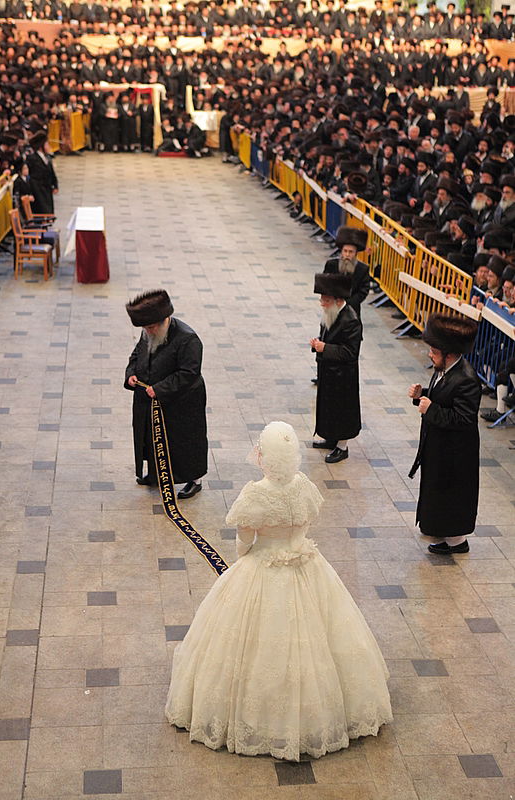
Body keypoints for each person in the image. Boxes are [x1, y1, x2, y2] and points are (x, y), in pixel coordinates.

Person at [165, 421, 392, 761]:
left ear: (265, 456)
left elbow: (244, 541)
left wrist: (247, 556)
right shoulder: (303, 486)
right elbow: (307, 522)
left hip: (263, 566)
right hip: (307, 566)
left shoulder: (255, 494)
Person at [124, 290, 207, 500]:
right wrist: (131, 373)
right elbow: (137, 354)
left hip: (181, 401)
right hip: (149, 397)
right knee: (151, 436)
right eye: (145, 328)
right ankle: (156, 473)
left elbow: (189, 373)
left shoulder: (188, 339)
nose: (148, 332)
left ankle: (194, 480)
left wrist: (160, 389)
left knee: (184, 441)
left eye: (151, 327)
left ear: (164, 320)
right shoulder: (149, 332)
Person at [408, 313, 480, 555]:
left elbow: (463, 418)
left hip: (455, 453)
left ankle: (457, 542)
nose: (430, 354)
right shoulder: (444, 369)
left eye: (434, 351)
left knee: (451, 497)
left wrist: (431, 409)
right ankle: (445, 535)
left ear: (448, 354)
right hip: (440, 447)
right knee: (438, 494)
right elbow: (443, 396)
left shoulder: (467, 379)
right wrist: (422, 395)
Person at [310, 272, 362, 464]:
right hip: (329, 372)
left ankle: (342, 446)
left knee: (342, 411)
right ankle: (331, 438)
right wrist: (317, 344)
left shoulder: (351, 320)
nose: (322, 303)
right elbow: (327, 337)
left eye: (326, 300)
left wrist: (325, 348)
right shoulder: (331, 313)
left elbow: (351, 352)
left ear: (338, 300)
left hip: (343, 376)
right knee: (328, 408)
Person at [323, 226, 370, 318]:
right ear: (341, 251)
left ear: (356, 253)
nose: (347, 255)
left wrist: (345, 303)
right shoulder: (331, 264)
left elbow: (363, 291)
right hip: (332, 308)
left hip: (352, 310)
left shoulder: (362, 269)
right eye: (345, 251)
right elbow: (324, 285)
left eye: (351, 252)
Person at [26, 131, 58, 215]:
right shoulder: (32, 159)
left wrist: (55, 185)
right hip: (39, 192)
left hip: (47, 190)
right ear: (41, 146)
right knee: (44, 212)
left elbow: (52, 172)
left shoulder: (47, 157)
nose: (49, 146)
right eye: (47, 144)